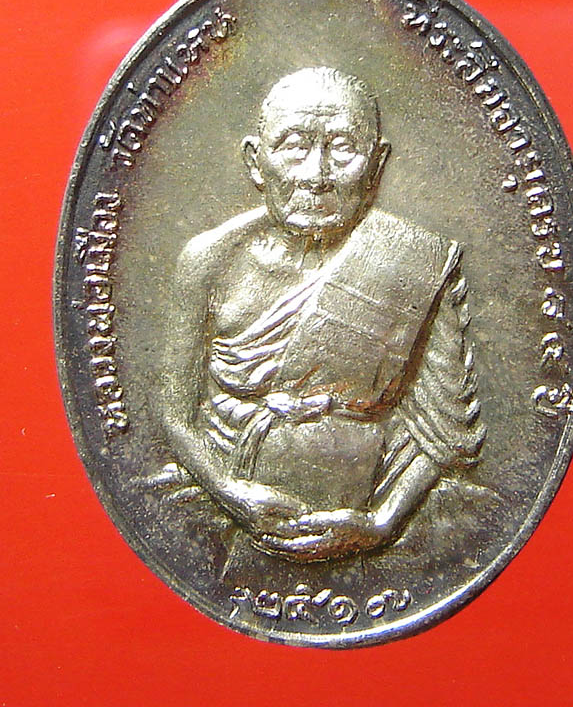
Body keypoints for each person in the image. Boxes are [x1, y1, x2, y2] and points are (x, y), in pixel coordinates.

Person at [156, 66, 485, 562]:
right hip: (227, 501)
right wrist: (228, 493)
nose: (317, 176)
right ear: (255, 161)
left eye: (343, 148)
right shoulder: (209, 261)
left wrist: (380, 523)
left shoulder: (415, 263)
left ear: (376, 165)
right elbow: (176, 416)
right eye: (293, 145)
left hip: (377, 502)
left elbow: (445, 435)